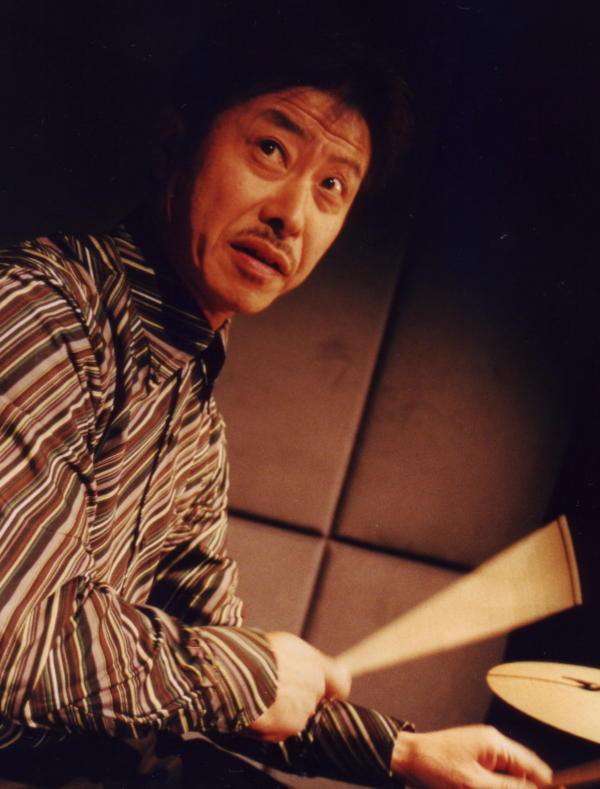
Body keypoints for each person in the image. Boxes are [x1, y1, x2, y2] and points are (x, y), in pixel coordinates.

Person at [0, 18, 553, 789]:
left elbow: (204, 653)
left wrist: (404, 751)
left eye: (332, 187)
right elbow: (15, 639)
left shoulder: (195, 425)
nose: (292, 214)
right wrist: (256, 672)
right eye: (270, 149)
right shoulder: (46, 313)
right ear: (177, 139)